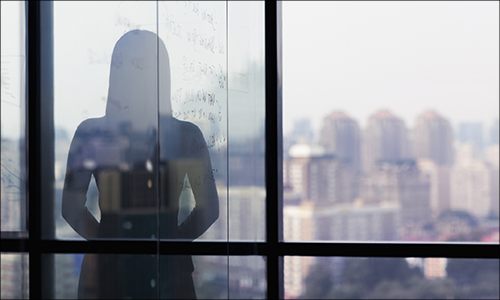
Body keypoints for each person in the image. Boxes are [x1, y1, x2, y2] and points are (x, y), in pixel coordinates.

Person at [62, 29, 219, 299]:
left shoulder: (91, 133)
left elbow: (70, 208)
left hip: (108, 272)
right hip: (168, 271)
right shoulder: (187, 135)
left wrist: (107, 243)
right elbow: (209, 209)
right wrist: (171, 243)